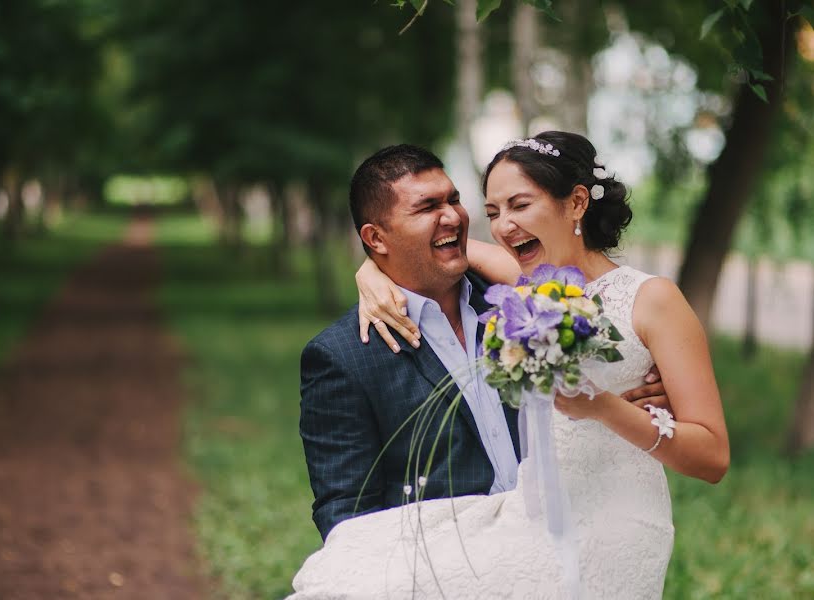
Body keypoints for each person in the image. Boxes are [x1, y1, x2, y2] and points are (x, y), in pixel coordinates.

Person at [291, 132, 729, 599]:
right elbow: (454, 252)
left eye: (518, 205)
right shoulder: (530, 290)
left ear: (577, 202)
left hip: (617, 520)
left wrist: (606, 408)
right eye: (494, 211)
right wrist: (372, 269)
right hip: (529, 520)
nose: (500, 226)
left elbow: (713, 456)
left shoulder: (645, 298)